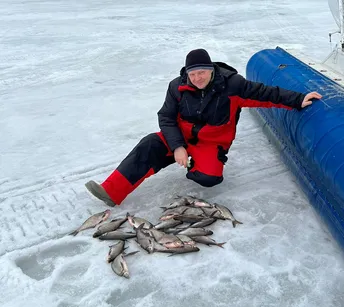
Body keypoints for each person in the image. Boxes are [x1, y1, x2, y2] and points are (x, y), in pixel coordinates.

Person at [85, 48, 322, 207]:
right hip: (178, 136)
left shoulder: (233, 85)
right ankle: (111, 191)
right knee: (149, 145)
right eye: (193, 73)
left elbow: (265, 94)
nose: (198, 78)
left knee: (209, 178)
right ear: (187, 74)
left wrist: (298, 99)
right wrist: (178, 146)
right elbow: (166, 117)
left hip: (210, 143)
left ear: (212, 70)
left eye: (202, 72)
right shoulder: (176, 87)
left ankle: (190, 162)